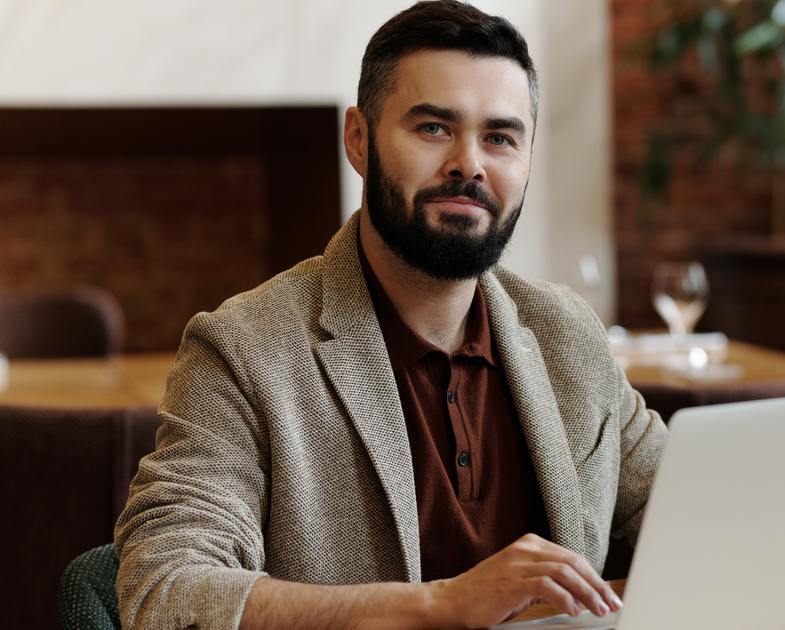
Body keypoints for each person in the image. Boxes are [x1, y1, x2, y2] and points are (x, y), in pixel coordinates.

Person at [112, 2, 668, 628]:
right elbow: (164, 590)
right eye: (433, 128)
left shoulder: (568, 332)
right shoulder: (242, 350)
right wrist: (440, 604)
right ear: (358, 139)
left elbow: (698, 510)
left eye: (500, 137)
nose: (470, 164)